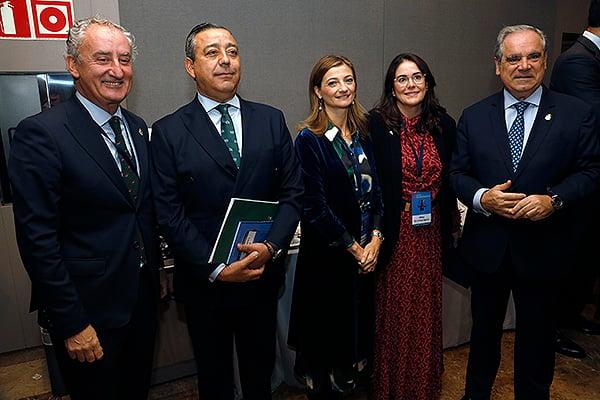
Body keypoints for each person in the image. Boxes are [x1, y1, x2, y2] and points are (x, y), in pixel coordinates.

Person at [8, 17, 163, 400]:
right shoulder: (41, 134)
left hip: (141, 301)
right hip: (88, 312)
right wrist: (72, 322)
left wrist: (154, 269)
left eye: (124, 59)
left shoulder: (138, 127)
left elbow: (138, 210)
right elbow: (37, 240)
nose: (117, 70)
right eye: (102, 59)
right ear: (73, 65)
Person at [150, 22, 303, 400]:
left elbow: (294, 192)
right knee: (214, 378)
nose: (225, 61)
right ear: (191, 66)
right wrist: (216, 267)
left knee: (259, 374)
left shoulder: (270, 119)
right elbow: (168, 212)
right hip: (206, 283)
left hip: (260, 273)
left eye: (232, 51)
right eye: (212, 52)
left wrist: (269, 248)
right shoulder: (168, 131)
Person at [449, 24, 600, 400]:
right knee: (483, 337)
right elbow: (456, 174)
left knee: (536, 341)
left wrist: (555, 200)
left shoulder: (575, 113)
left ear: (545, 61)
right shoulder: (473, 115)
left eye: (533, 56)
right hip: (488, 251)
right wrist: (482, 197)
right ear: (498, 65)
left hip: (545, 249)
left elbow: (591, 170)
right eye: (513, 58)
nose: (524, 65)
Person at [288, 55, 384, 400]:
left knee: (355, 355)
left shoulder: (364, 133)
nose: (343, 88)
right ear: (318, 91)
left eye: (348, 80)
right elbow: (314, 207)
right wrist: (355, 249)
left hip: (363, 267)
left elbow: (378, 195)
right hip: (328, 266)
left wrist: (375, 239)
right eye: (333, 82)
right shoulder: (309, 140)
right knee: (326, 353)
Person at [368, 53, 461, 400]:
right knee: (395, 315)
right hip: (396, 232)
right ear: (392, 88)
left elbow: (451, 179)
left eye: (417, 76)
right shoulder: (376, 125)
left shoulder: (443, 124)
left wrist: (453, 227)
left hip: (430, 232)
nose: (411, 85)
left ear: (428, 82)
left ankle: (421, 389)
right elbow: (373, 185)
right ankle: (391, 389)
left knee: (425, 314)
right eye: (402, 79)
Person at [550, 0, 600, 359]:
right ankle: (550, 328)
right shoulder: (577, 61)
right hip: (572, 180)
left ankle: (570, 315)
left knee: (585, 254)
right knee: (566, 256)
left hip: (589, 179)